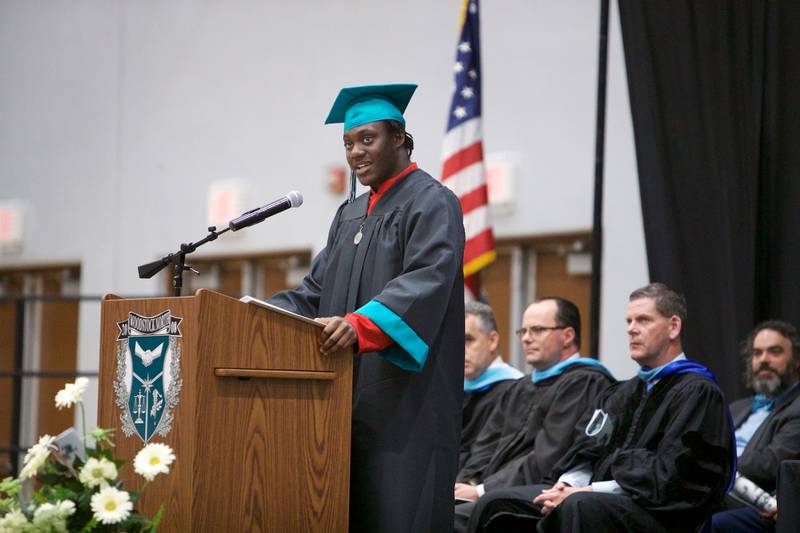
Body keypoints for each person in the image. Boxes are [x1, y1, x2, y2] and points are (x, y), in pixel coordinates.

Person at [268, 83, 465, 532]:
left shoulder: (432, 201)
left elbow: (427, 279)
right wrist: (257, 312)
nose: (356, 152)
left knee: (399, 515)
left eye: (367, 139)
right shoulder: (350, 214)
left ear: (399, 138)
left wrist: (361, 325)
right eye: (348, 143)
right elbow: (315, 292)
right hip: (344, 403)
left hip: (405, 405)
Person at [468, 283, 735, 533]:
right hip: (595, 497)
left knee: (579, 506)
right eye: (629, 321)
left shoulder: (697, 393)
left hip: (659, 514)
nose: (631, 329)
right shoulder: (621, 393)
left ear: (673, 327)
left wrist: (590, 491)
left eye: (643, 320)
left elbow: (673, 479)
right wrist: (568, 484)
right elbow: (587, 450)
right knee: (495, 504)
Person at [453, 297, 614, 532]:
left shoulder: (584, 382)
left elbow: (545, 458)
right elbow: (485, 446)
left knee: (446, 520)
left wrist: (480, 491)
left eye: (537, 330)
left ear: (567, 335)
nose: (526, 338)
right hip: (496, 489)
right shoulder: (521, 386)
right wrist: (465, 482)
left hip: (539, 492)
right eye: (524, 331)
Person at [711, 320, 800, 532]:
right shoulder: (736, 408)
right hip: (718, 486)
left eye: (775, 352)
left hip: (758, 497)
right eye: (757, 353)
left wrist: (714, 467)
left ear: (796, 360)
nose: (763, 360)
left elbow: (772, 461)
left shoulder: (797, 406)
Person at [461, 301, 523, 470]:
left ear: (492, 340)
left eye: (468, 340)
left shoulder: (515, 390)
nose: (459, 349)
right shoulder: (452, 392)